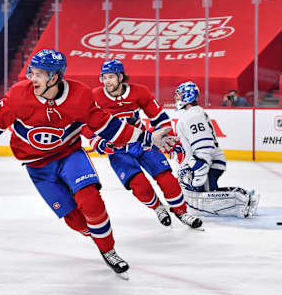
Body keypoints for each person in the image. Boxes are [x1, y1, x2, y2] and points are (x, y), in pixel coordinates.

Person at [0, 49, 175, 277]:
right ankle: (96, 235)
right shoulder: (18, 96)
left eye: (39, 74)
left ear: (55, 77)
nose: (32, 78)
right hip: (37, 166)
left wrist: (147, 137)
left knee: (90, 199)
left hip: (69, 155)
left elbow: (108, 126)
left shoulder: (80, 96)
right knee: (77, 222)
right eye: (31, 72)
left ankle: (108, 249)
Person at [84, 59, 203, 229]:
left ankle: (181, 212)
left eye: (110, 77)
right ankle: (158, 208)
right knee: (139, 185)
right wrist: (96, 140)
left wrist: (163, 134)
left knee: (167, 178)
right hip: (117, 150)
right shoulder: (95, 96)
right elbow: (83, 123)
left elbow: (160, 118)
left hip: (142, 143)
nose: (106, 81)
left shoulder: (139, 92)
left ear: (120, 77)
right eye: (104, 77)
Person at [174, 81, 260, 218]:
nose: (177, 97)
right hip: (209, 162)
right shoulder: (194, 113)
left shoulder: (193, 115)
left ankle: (242, 201)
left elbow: (204, 146)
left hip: (206, 164)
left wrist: (198, 169)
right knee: (203, 195)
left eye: (179, 94)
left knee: (202, 198)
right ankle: (243, 198)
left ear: (188, 96)